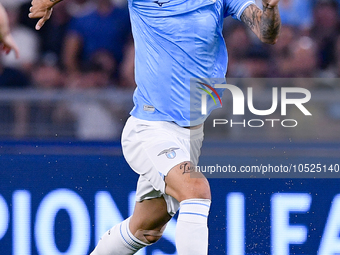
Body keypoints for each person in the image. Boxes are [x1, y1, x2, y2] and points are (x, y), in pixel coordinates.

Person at [29, 0, 281, 254]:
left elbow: (265, 33)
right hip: (150, 127)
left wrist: (270, 9)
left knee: (146, 230)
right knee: (196, 190)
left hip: (192, 132)